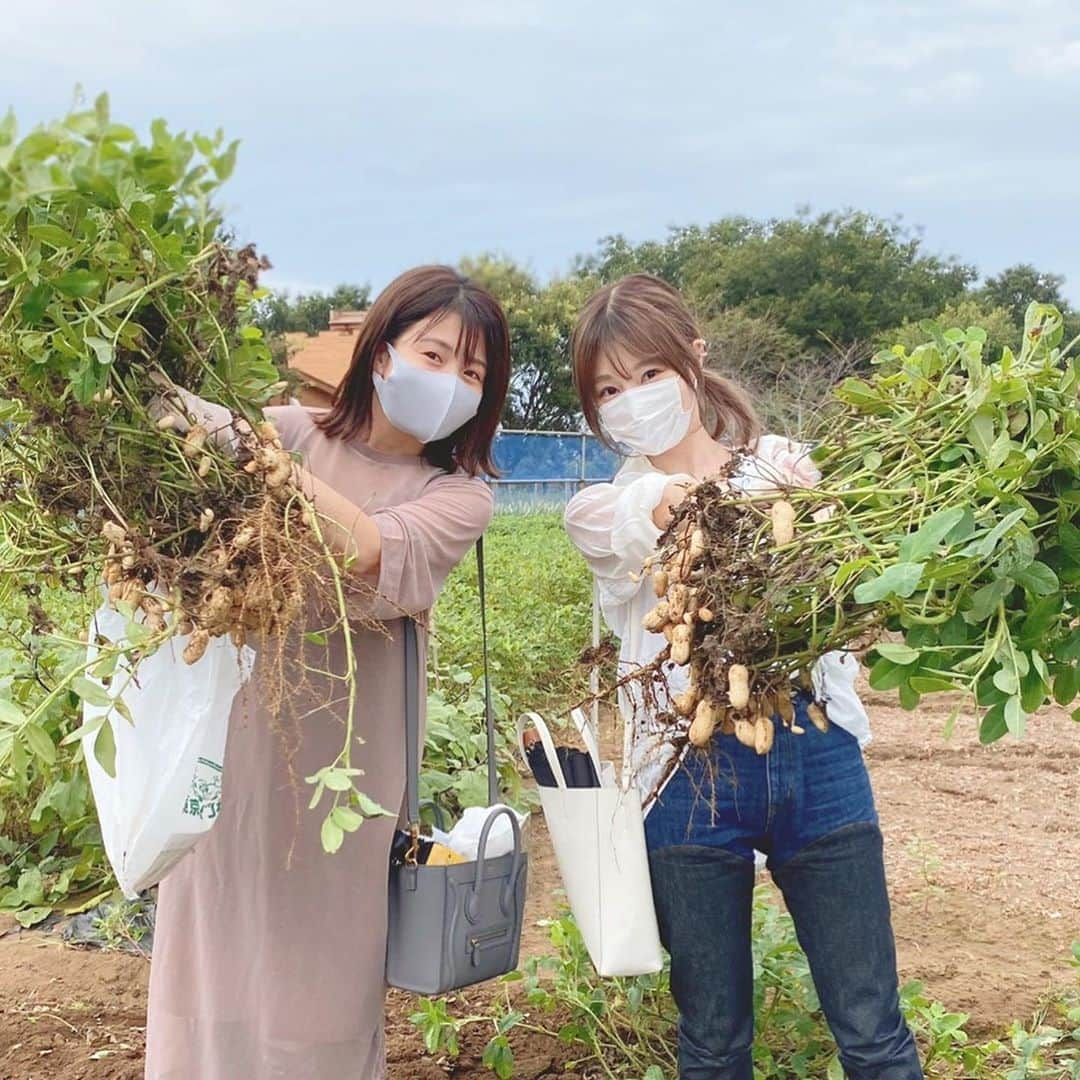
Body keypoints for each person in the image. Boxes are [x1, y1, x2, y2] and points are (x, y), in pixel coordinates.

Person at [144, 265, 511, 1080]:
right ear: (380, 353)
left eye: (472, 373)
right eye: (435, 353)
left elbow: (371, 551)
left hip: (346, 783)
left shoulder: (458, 498)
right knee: (211, 967)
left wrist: (246, 451)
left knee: (319, 996)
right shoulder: (286, 431)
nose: (450, 381)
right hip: (230, 760)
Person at [562, 274, 923, 1080]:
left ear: (695, 357)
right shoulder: (598, 508)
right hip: (691, 774)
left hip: (816, 753)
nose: (633, 400)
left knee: (873, 1031)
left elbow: (848, 578)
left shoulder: (784, 466)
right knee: (715, 1041)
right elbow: (639, 512)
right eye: (609, 389)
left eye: (650, 374)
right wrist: (685, 499)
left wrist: (817, 512)